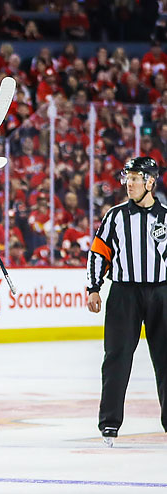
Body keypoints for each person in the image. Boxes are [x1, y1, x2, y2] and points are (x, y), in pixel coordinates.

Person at [87, 156, 167, 446]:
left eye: (135, 178)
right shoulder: (115, 216)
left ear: (151, 182)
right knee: (116, 358)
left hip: (162, 293)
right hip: (123, 294)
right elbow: (99, 252)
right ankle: (109, 423)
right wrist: (93, 287)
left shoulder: (166, 217)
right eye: (128, 178)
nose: (129, 183)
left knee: (166, 359)